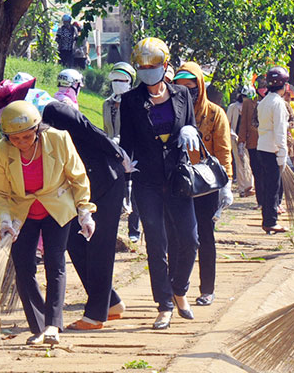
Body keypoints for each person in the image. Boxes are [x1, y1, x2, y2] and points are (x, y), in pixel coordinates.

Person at [0, 101, 95, 345]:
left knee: (55, 262)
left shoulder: (59, 139)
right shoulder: (0, 151)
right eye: (15, 139)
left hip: (56, 207)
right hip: (21, 212)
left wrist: (85, 211)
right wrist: (4, 221)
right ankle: (37, 326)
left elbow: (77, 177)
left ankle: (52, 325)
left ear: (38, 129)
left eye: (27, 136)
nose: (22, 143)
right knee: (24, 267)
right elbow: (0, 193)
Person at [119, 37, 202, 330]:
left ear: (165, 65)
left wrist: (191, 131)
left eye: (152, 66)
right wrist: (125, 168)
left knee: (190, 239)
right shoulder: (130, 101)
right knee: (156, 243)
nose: (147, 71)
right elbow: (126, 142)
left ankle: (180, 289)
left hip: (178, 177)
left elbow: (191, 126)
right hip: (148, 181)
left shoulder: (182, 95)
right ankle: (164, 304)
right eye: (141, 67)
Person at [37, 99, 128, 330]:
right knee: (74, 242)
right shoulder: (22, 130)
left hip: (106, 181)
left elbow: (89, 129)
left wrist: (119, 155)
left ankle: (96, 315)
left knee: (99, 246)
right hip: (82, 188)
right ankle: (111, 302)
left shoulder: (55, 111)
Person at [173, 62, 233, 306]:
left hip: (206, 185)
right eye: (181, 87)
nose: (187, 92)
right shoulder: (169, 112)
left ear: (200, 87)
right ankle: (176, 288)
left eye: (191, 86)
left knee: (205, 237)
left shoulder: (214, 114)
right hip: (177, 182)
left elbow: (223, 150)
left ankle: (207, 288)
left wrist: (226, 185)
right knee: (178, 238)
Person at [102, 62, 140, 240]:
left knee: (133, 189)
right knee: (114, 190)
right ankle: (113, 231)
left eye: (122, 80)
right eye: (115, 79)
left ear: (130, 81)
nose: (118, 83)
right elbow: (106, 128)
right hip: (112, 152)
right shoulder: (106, 104)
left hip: (132, 150)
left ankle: (134, 230)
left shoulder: (136, 102)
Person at [256, 67, 290, 234]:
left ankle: (269, 218)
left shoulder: (263, 102)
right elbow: (280, 131)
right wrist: (282, 153)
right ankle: (270, 221)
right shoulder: (278, 103)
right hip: (273, 149)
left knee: (268, 185)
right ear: (284, 86)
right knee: (272, 187)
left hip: (262, 146)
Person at [226, 87, 255, 196]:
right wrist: (233, 135)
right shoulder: (233, 107)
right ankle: (242, 188)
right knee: (239, 162)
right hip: (235, 138)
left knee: (249, 162)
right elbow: (227, 123)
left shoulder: (252, 107)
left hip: (249, 139)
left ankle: (249, 186)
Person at [239, 79, 263, 200]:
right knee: (257, 172)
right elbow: (243, 123)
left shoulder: (275, 101)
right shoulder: (249, 103)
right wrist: (241, 141)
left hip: (269, 143)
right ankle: (260, 200)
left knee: (267, 173)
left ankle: (272, 201)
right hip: (253, 143)